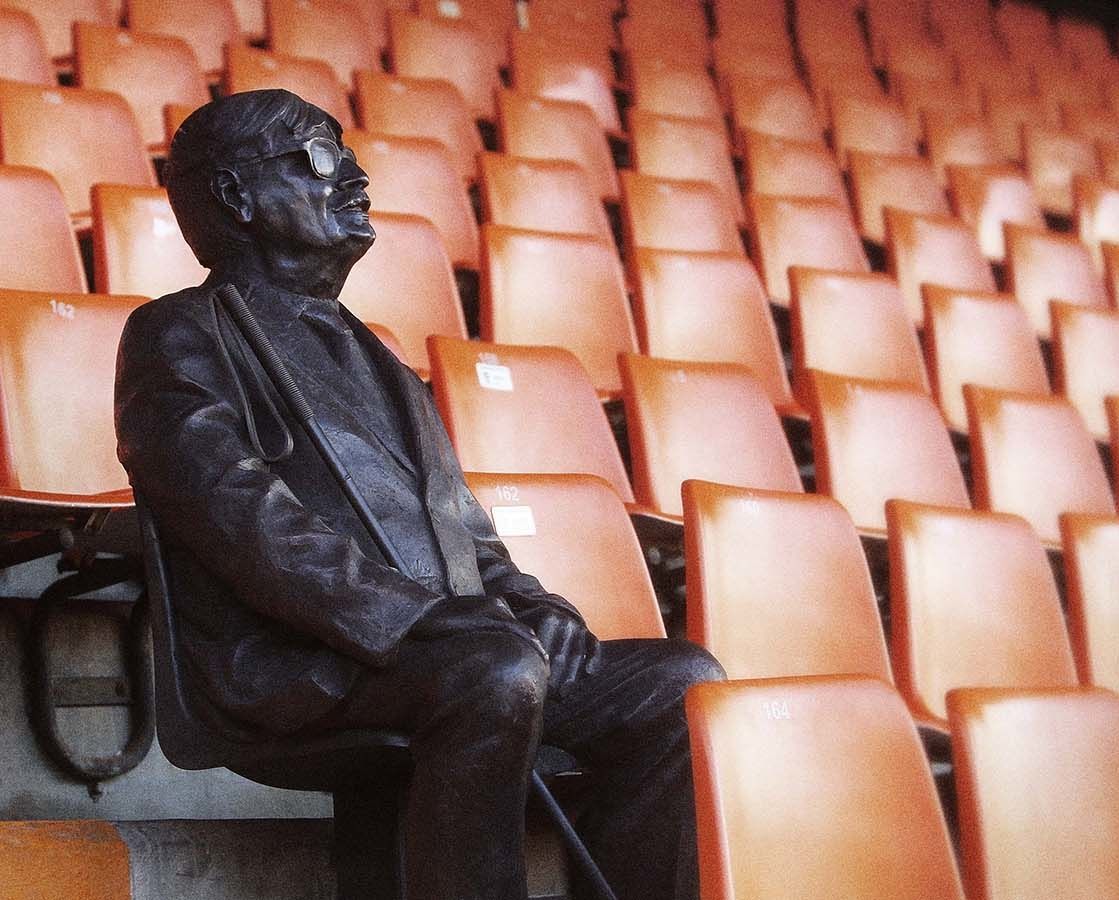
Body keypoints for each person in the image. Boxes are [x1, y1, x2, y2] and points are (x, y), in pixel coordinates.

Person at [114, 89, 723, 900]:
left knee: (678, 679)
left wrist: (537, 607)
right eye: (321, 157)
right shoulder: (179, 333)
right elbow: (241, 521)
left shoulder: (385, 362)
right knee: (494, 668)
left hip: (444, 643)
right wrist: (416, 617)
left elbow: (465, 533)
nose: (355, 176)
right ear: (236, 195)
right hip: (301, 659)